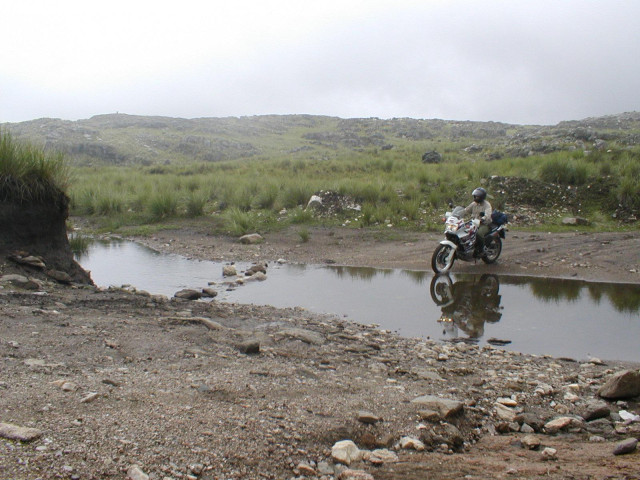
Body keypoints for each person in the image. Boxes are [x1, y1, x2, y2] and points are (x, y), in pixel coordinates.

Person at [462, 187, 492, 252]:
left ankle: (481, 249)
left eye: (477, 197)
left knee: (478, 234)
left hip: (484, 224)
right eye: (475, 196)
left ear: (482, 197)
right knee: (463, 230)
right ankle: (467, 246)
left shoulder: (487, 205)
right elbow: (466, 210)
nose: (475, 198)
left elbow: (488, 214)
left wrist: (483, 218)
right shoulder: (474, 204)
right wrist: (458, 213)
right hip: (474, 223)